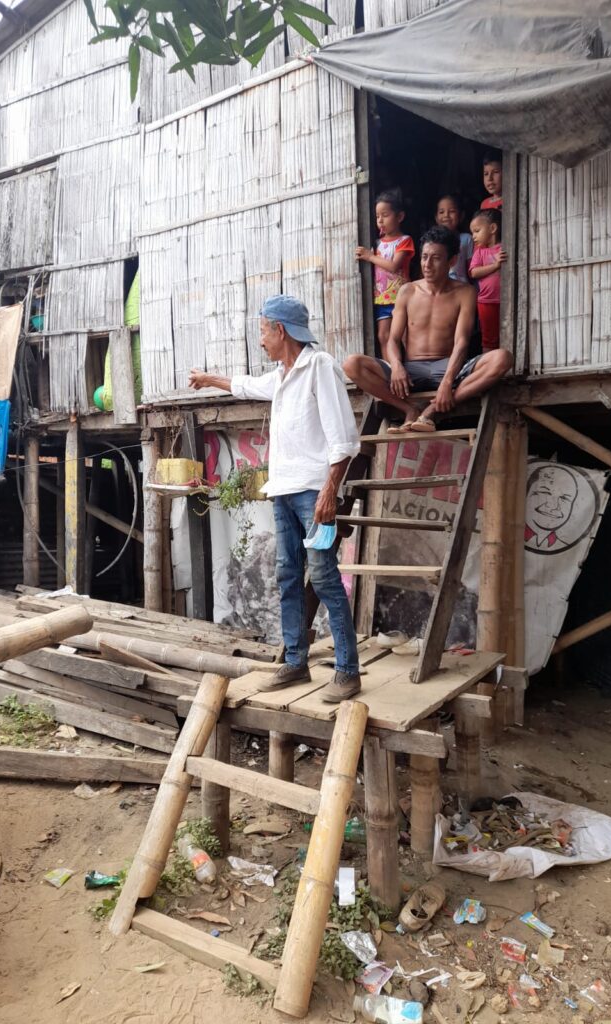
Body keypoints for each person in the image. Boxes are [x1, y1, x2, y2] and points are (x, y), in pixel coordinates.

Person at [188, 295, 362, 701]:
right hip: (283, 492)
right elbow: (246, 385)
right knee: (287, 577)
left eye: (263, 331)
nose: (261, 339)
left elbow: (344, 440)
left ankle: (348, 672)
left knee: (323, 577)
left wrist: (328, 493)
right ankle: (296, 664)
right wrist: (209, 379)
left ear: (280, 330)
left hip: (313, 494)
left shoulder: (319, 367)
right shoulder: (283, 375)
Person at [342, 226, 512, 434]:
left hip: (449, 368)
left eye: (436, 258)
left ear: (452, 261)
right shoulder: (408, 291)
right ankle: (409, 410)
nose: (427, 265)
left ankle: (432, 409)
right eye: (424, 257)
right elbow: (393, 340)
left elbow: (462, 342)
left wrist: (448, 382)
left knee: (502, 358)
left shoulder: (465, 293)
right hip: (411, 371)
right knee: (352, 364)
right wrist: (396, 366)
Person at [355, 190, 415, 359]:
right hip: (382, 297)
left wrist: (370, 256)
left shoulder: (404, 240)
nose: (380, 220)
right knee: (383, 335)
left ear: (400, 217)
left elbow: (395, 266)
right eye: (377, 216)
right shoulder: (376, 243)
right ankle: (390, 372)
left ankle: (412, 370)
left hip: (401, 297)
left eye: (385, 215)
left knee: (404, 336)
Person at [469, 208, 505, 352]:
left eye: (477, 231)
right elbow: (474, 272)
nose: (473, 236)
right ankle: (487, 368)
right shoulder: (480, 252)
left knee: (508, 334)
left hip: (506, 300)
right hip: (486, 301)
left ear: (492, 228)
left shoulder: (505, 248)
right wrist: (495, 265)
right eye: (472, 233)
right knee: (489, 339)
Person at [435, 193, 474, 285]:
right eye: (441, 212)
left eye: (452, 211)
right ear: (436, 217)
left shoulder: (466, 239)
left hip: (461, 288)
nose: (446, 215)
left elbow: (471, 269)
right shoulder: (432, 241)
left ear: (461, 215)